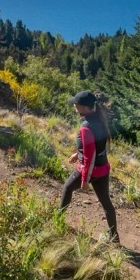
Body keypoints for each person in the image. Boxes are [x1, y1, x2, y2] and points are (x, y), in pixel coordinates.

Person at [59, 90, 119, 244]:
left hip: (90, 170)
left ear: (84, 107)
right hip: (103, 169)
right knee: (106, 203)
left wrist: (85, 180)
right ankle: (114, 237)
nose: (74, 106)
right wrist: (76, 154)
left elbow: (89, 158)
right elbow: (95, 148)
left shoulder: (86, 127)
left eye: (76, 104)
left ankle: (57, 219)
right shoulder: (99, 120)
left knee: (67, 188)